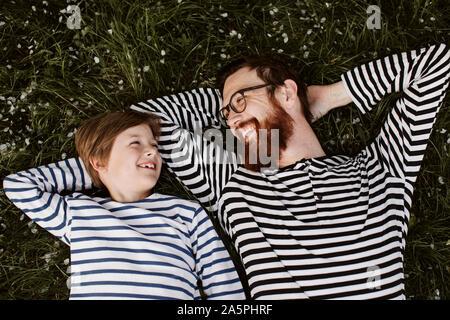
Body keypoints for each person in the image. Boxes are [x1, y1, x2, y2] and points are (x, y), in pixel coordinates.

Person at [130, 43, 449, 299]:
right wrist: (232, 104)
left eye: (240, 101)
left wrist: (325, 97)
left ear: (285, 92)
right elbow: (143, 118)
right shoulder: (234, 182)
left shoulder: (380, 169)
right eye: (224, 114)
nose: (229, 121)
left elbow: (436, 64)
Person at [3, 110, 245, 300]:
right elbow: (20, 186)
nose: (151, 150)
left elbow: (221, 280)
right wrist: (98, 170)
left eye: (154, 145)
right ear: (98, 160)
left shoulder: (187, 212)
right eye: (135, 143)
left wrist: (109, 167)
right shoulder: (79, 213)